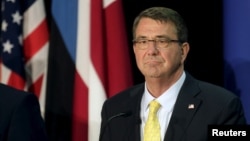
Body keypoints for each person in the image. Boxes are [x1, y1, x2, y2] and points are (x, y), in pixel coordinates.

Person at [99, 7, 247, 141]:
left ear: (183, 51)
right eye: (143, 41)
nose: (151, 51)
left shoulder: (222, 107)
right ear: (134, 49)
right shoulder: (115, 109)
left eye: (162, 41)